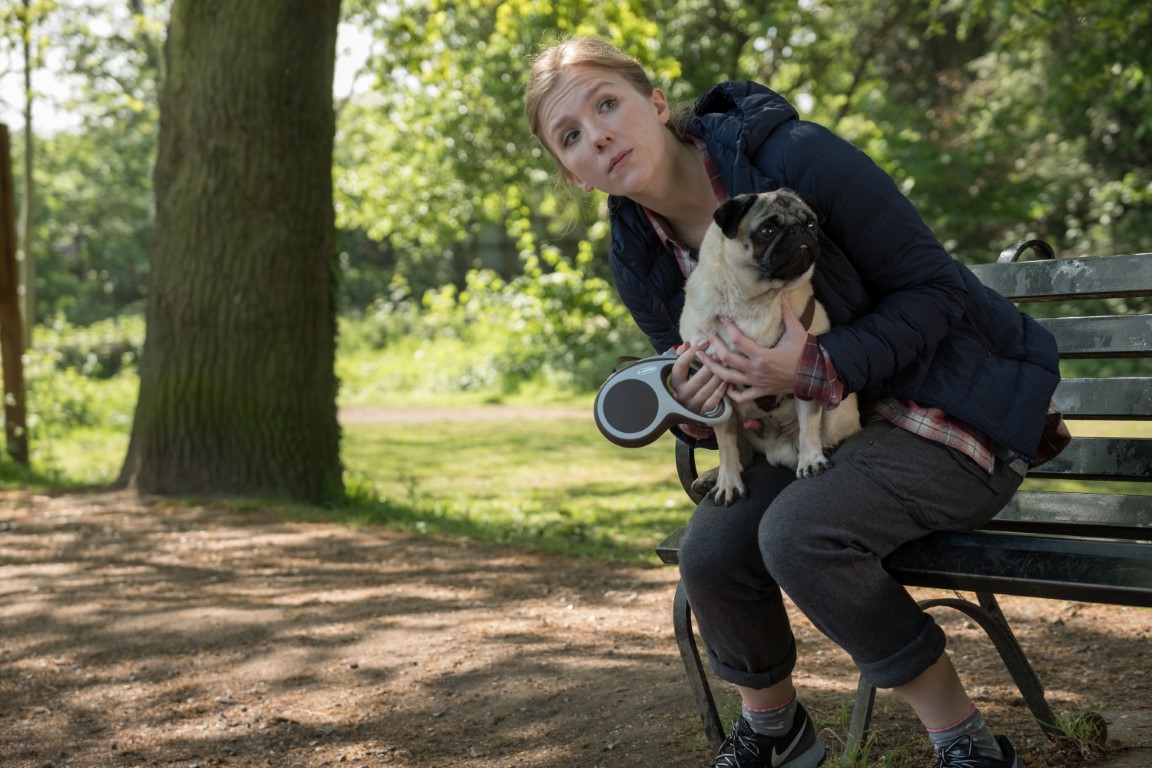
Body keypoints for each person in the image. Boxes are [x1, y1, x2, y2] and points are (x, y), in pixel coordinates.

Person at [524, 36, 1069, 768]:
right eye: (572, 137)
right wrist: (692, 399)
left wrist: (818, 362)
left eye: (607, 104)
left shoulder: (794, 156)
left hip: (950, 407)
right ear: (573, 173)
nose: (598, 135)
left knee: (798, 533)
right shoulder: (638, 252)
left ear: (655, 104)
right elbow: (704, 379)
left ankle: (965, 744)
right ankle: (778, 734)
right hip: (824, 434)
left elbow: (935, 290)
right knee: (711, 550)